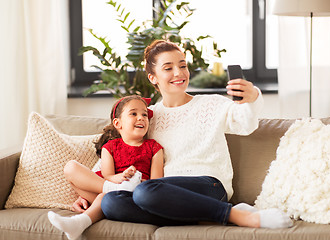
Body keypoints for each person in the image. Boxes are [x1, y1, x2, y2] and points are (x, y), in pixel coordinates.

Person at [73, 40, 293, 229]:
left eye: (182, 66)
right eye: (168, 68)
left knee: (144, 192)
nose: (178, 73)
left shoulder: (211, 104)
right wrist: (89, 197)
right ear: (153, 78)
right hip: (166, 196)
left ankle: (236, 215)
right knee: (111, 202)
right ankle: (198, 214)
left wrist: (252, 96)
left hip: (208, 185)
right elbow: (123, 151)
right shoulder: (149, 117)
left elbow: (245, 124)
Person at [48, 95, 164, 240]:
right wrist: (121, 178)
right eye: (134, 113)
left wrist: (137, 181)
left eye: (144, 115)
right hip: (112, 187)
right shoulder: (110, 147)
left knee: (105, 197)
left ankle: (78, 223)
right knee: (70, 168)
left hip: (135, 195)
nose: (141, 118)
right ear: (117, 123)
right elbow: (107, 175)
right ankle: (112, 193)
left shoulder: (154, 147)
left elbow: (157, 183)